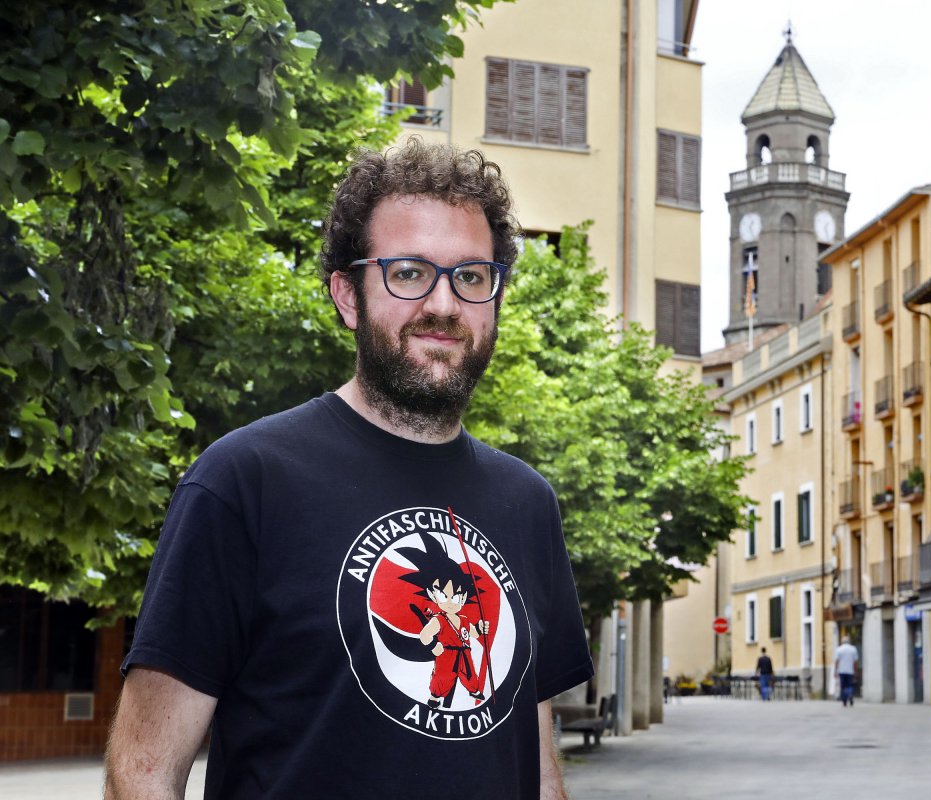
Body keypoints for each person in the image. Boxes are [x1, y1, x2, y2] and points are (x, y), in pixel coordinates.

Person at [104, 140, 595, 799]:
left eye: (471, 276)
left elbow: (534, 762)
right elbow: (142, 772)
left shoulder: (527, 503)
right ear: (347, 296)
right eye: (410, 272)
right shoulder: (244, 482)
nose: (445, 305)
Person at [834, 636, 859, 707]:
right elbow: (856, 662)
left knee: (843, 686)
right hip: (850, 671)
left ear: (842, 642)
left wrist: (835, 671)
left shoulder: (839, 649)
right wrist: (856, 671)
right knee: (849, 685)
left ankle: (844, 701)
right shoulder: (853, 649)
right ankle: (850, 694)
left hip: (842, 670)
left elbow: (837, 661)